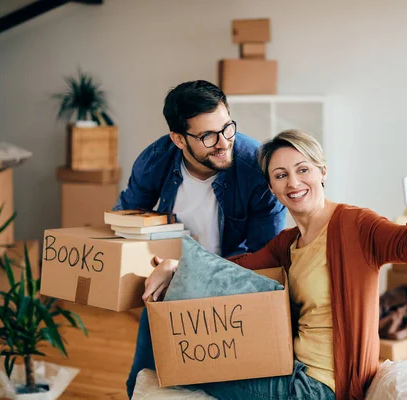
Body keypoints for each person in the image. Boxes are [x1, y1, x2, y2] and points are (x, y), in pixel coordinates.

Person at [143, 129, 407, 400]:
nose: (293, 183)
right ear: (272, 187)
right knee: (181, 366)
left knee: (171, 371)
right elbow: (232, 268)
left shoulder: (354, 225)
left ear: (322, 172)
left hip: (322, 386)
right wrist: (175, 265)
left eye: (303, 170)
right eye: (281, 175)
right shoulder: (287, 243)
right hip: (291, 368)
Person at [119, 80, 287, 398]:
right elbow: (125, 221)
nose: (224, 143)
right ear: (178, 139)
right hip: (168, 287)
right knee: (140, 385)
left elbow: (267, 257)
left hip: (234, 286)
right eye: (208, 136)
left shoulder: (256, 168)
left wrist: (189, 269)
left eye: (227, 128)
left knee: (225, 389)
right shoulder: (155, 160)